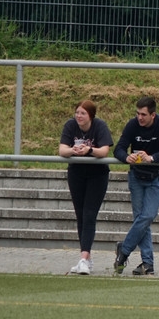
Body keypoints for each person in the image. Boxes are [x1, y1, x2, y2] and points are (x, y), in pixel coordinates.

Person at [113, 96, 159, 277]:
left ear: (153, 115)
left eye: (143, 114)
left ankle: (124, 249)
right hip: (136, 178)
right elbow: (118, 148)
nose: (139, 117)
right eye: (138, 114)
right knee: (141, 219)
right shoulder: (132, 125)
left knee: (147, 216)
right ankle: (147, 263)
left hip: (155, 177)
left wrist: (151, 158)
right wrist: (126, 157)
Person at [58, 99, 114, 275]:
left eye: (83, 113)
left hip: (97, 175)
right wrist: (74, 151)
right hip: (76, 174)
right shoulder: (70, 125)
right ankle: (86, 259)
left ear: (91, 115)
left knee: (90, 214)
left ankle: (84, 258)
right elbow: (62, 150)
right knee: (80, 215)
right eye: (77, 112)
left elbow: (104, 151)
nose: (79, 116)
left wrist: (89, 150)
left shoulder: (100, 126)